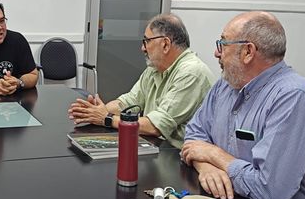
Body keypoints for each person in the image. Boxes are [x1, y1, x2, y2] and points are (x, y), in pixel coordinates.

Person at [181, 11, 305, 199]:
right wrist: (206, 167)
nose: (216, 53)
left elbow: (268, 190)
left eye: (223, 43)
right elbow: (194, 138)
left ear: (247, 51)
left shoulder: (293, 97)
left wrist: (214, 153)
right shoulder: (224, 85)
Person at [68, 13, 214, 149]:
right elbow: (127, 102)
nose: (142, 48)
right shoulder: (154, 69)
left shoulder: (191, 72)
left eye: (146, 41)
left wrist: (106, 118)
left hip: (178, 157)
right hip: (156, 146)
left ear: (165, 44)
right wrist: (97, 111)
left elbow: (155, 127)